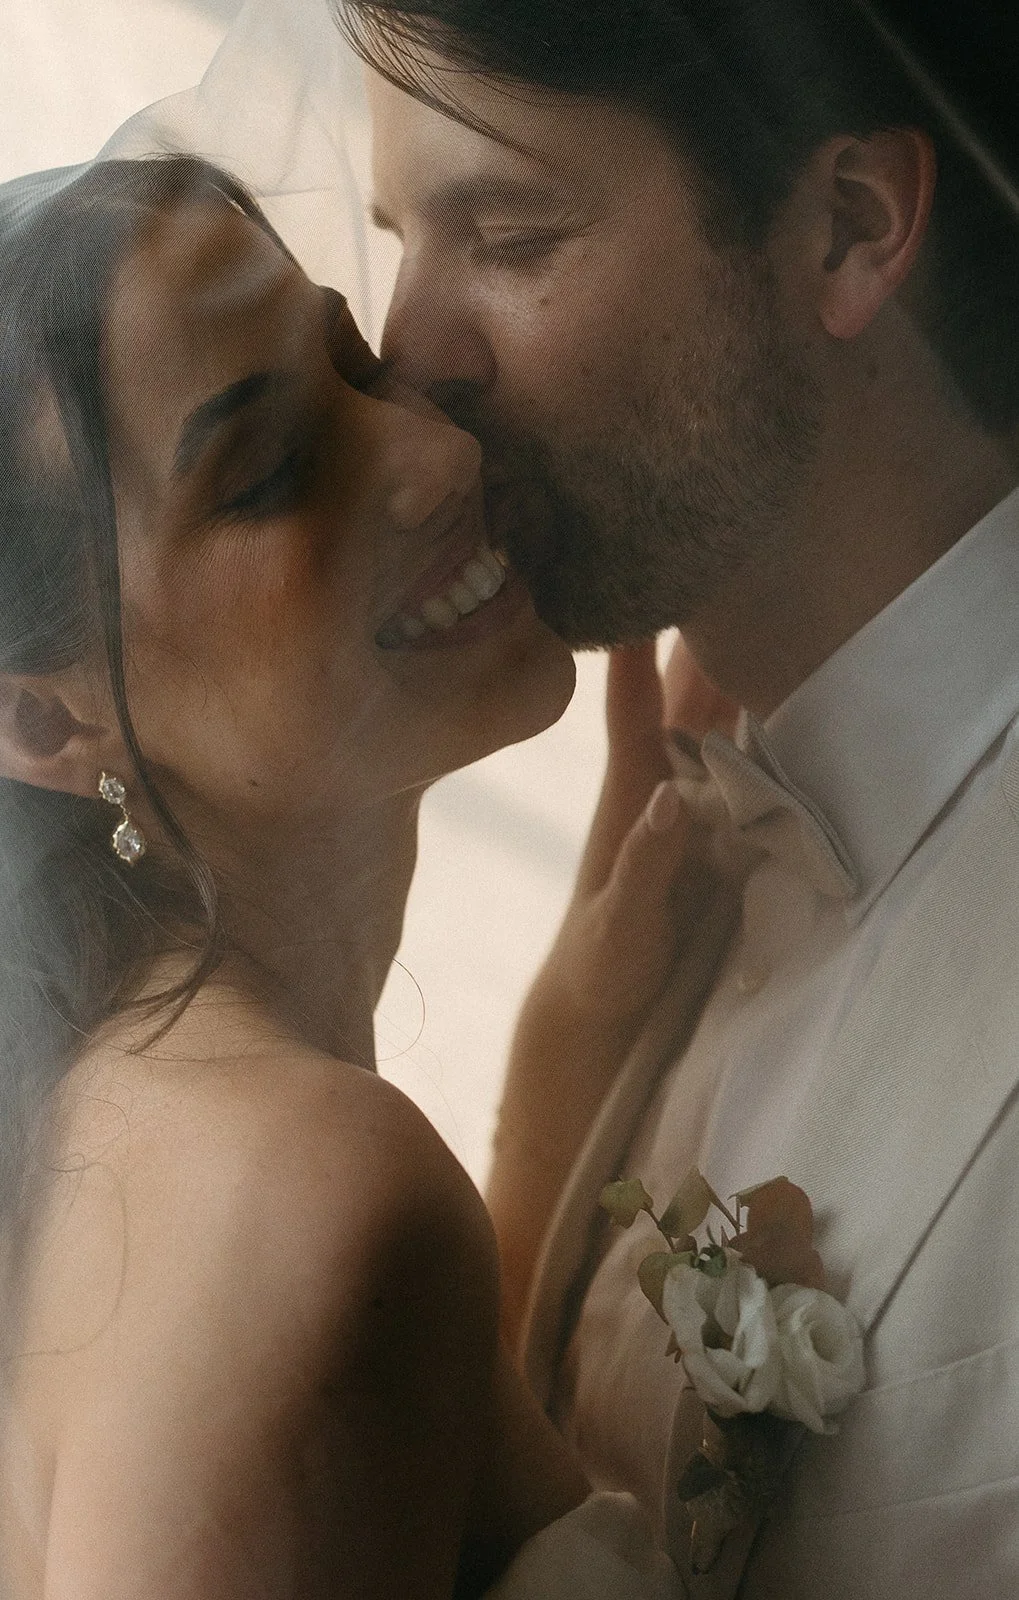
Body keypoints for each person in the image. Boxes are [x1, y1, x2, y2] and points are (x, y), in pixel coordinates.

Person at [332, 0, 1019, 1593]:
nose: (403, 355)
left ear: (845, 229)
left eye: (503, 231)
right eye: (397, 235)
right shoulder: (679, 856)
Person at [0, 154, 686, 1599]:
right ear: (40, 720)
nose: (438, 456)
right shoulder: (297, 1190)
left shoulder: (110, 1145)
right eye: (271, 471)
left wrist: (562, 1069)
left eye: (357, 367)